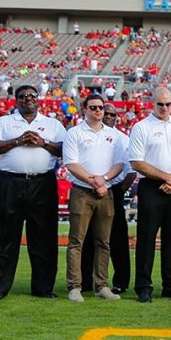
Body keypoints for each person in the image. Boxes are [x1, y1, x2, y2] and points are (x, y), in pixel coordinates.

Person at [0, 84, 66, 300]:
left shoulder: (52, 123)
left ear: (38, 99)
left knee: (44, 237)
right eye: (22, 96)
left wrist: (43, 142)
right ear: (16, 100)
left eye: (31, 96)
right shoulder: (4, 122)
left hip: (42, 182)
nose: (27, 99)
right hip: (10, 181)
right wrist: (18, 141)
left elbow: (66, 149)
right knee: (5, 236)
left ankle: (43, 288)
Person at [128, 87, 171, 302]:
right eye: (160, 104)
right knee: (147, 238)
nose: (164, 108)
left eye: (168, 104)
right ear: (152, 103)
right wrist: (166, 177)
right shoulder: (141, 127)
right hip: (151, 187)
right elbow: (137, 162)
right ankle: (143, 287)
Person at [62, 94, 126, 302]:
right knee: (76, 241)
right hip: (82, 191)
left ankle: (101, 285)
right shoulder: (75, 133)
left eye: (100, 107)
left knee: (104, 242)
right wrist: (94, 181)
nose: (98, 111)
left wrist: (104, 179)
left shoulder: (114, 135)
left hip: (105, 192)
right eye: (94, 107)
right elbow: (71, 163)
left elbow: (119, 164)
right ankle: (74, 286)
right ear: (85, 109)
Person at [82, 103, 137, 294]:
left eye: (113, 114)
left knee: (117, 239)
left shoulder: (122, 138)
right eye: (107, 113)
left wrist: (117, 190)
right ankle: (86, 281)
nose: (109, 116)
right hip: (88, 187)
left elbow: (130, 172)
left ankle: (120, 281)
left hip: (113, 189)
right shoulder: (86, 133)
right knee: (87, 237)